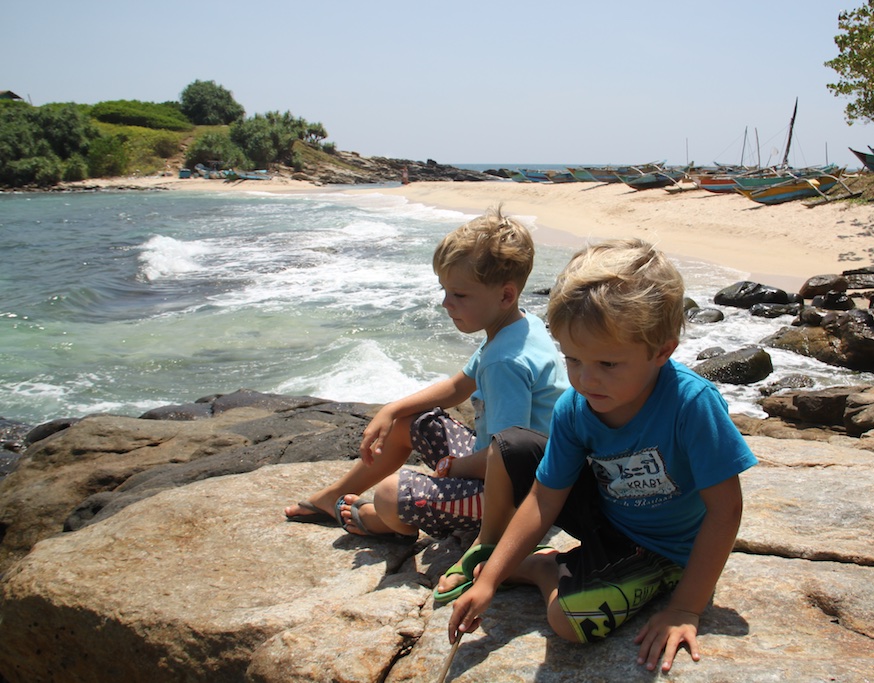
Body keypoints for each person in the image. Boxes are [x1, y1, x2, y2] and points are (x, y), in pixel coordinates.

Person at [447, 238, 757, 672]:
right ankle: (508, 558)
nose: (585, 379)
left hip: (666, 549)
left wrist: (687, 608)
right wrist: (491, 580)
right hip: (609, 521)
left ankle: (544, 569)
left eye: (608, 364)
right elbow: (543, 498)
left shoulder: (691, 404)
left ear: (662, 351)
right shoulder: (577, 406)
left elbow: (726, 512)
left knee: (569, 620)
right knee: (512, 445)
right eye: (572, 359)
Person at [284, 207, 568, 542]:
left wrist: (453, 468)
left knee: (390, 494)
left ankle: (385, 520)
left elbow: (507, 460)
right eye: (445, 290)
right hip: (502, 467)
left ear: (506, 295)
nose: (446, 303)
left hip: (518, 495)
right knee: (408, 421)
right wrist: (392, 410)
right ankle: (338, 494)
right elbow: (456, 387)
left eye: (459, 295)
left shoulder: (505, 363)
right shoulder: (520, 327)